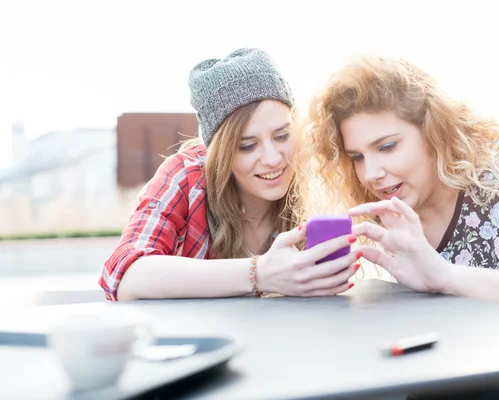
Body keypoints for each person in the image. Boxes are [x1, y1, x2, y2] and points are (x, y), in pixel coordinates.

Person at [305, 54, 499, 316]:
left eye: (387, 147)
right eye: (356, 156)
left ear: (434, 132)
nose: (370, 174)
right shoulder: (389, 215)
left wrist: (446, 276)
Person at [99, 48, 360, 301]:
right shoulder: (186, 177)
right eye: (247, 146)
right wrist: (259, 273)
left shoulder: (315, 176)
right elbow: (124, 276)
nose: (272, 159)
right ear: (219, 154)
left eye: (282, 136)